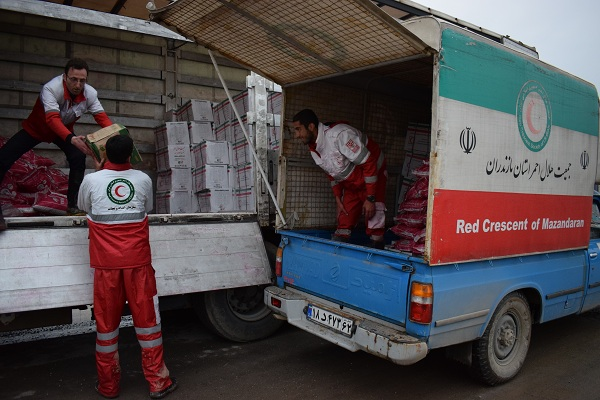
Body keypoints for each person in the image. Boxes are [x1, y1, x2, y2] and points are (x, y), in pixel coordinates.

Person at [77, 135, 177, 399]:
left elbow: (82, 207)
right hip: (139, 265)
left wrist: (99, 175)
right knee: (148, 326)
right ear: (131, 154)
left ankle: (109, 386)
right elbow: (148, 208)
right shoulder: (143, 180)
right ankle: (158, 382)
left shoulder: (91, 180)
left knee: (106, 328)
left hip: (105, 267)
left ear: (104, 154)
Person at [0, 58, 113, 230]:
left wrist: (117, 134)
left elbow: (102, 118)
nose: (77, 84)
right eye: (73, 79)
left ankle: (72, 206)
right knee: (3, 158)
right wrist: (71, 139)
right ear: (65, 77)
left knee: (78, 156)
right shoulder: (51, 89)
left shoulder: (90, 94)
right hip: (35, 129)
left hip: (63, 132)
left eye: (82, 80)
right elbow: (52, 119)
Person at [292, 109, 388, 249]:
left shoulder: (340, 136)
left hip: (374, 177)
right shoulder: (314, 149)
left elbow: (369, 163)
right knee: (344, 219)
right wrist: (338, 197)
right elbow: (332, 172)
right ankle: (339, 249)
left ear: (311, 126)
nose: (296, 135)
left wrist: (371, 198)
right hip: (352, 184)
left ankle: (377, 245)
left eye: (298, 129)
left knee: (374, 216)